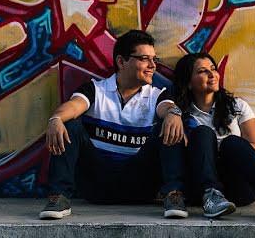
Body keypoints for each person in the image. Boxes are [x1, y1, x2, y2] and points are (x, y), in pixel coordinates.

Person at [40, 30, 189, 220]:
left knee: (170, 123)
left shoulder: (157, 95)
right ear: (121, 62)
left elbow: (167, 108)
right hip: (97, 184)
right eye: (145, 59)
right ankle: (58, 197)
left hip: (140, 185)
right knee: (69, 124)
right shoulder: (96, 89)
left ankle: (174, 195)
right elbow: (73, 106)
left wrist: (174, 113)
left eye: (154, 59)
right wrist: (56, 119)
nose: (153, 66)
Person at [172, 52, 255, 222]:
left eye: (213, 69)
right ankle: (212, 196)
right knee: (203, 133)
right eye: (202, 71)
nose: (212, 75)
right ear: (188, 83)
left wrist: (222, 151)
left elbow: (254, 147)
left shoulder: (237, 106)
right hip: (199, 188)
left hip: (238, 186)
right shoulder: (180, 114)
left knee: (232, 143)